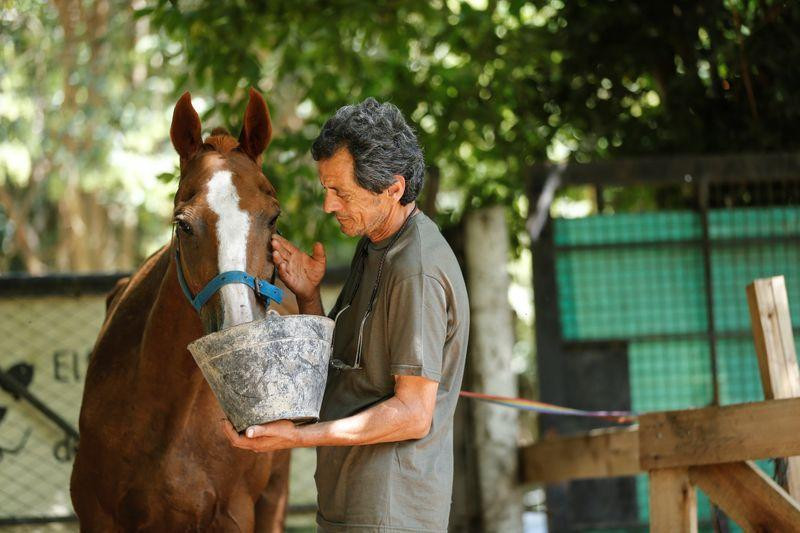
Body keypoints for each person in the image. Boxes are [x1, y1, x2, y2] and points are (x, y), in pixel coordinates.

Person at [221, 98, 470, 533]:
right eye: (326, 189)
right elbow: (341, 368)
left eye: (341, 192)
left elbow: (413, 413)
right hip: (346, 504)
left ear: (393, 188)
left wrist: (297, 438)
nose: (328, 206)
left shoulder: (417, 270)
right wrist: (308, 296)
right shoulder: (375, 240)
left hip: (389, 516)